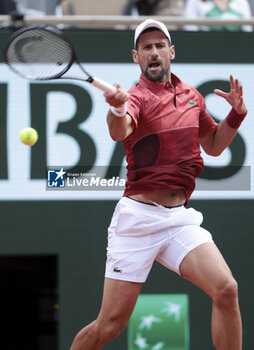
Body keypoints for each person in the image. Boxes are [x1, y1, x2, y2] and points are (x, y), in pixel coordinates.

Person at [70, 18, 247, 350]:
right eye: (146, 47)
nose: (154, 52)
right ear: (136, 57)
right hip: (137, 221)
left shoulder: (193, 96)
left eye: (159, 46)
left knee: (226, 289)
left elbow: (213, 145)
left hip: (179, 220)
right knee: (109, 325)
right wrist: (118, 107)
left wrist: (235, 116)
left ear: (171, 52)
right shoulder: (136, 97)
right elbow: (119, 130)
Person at [184, 0, 253, 32]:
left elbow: (248, 30)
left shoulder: (241, 2)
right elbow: (190, 29)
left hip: (239, 49)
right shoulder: (195, 2)